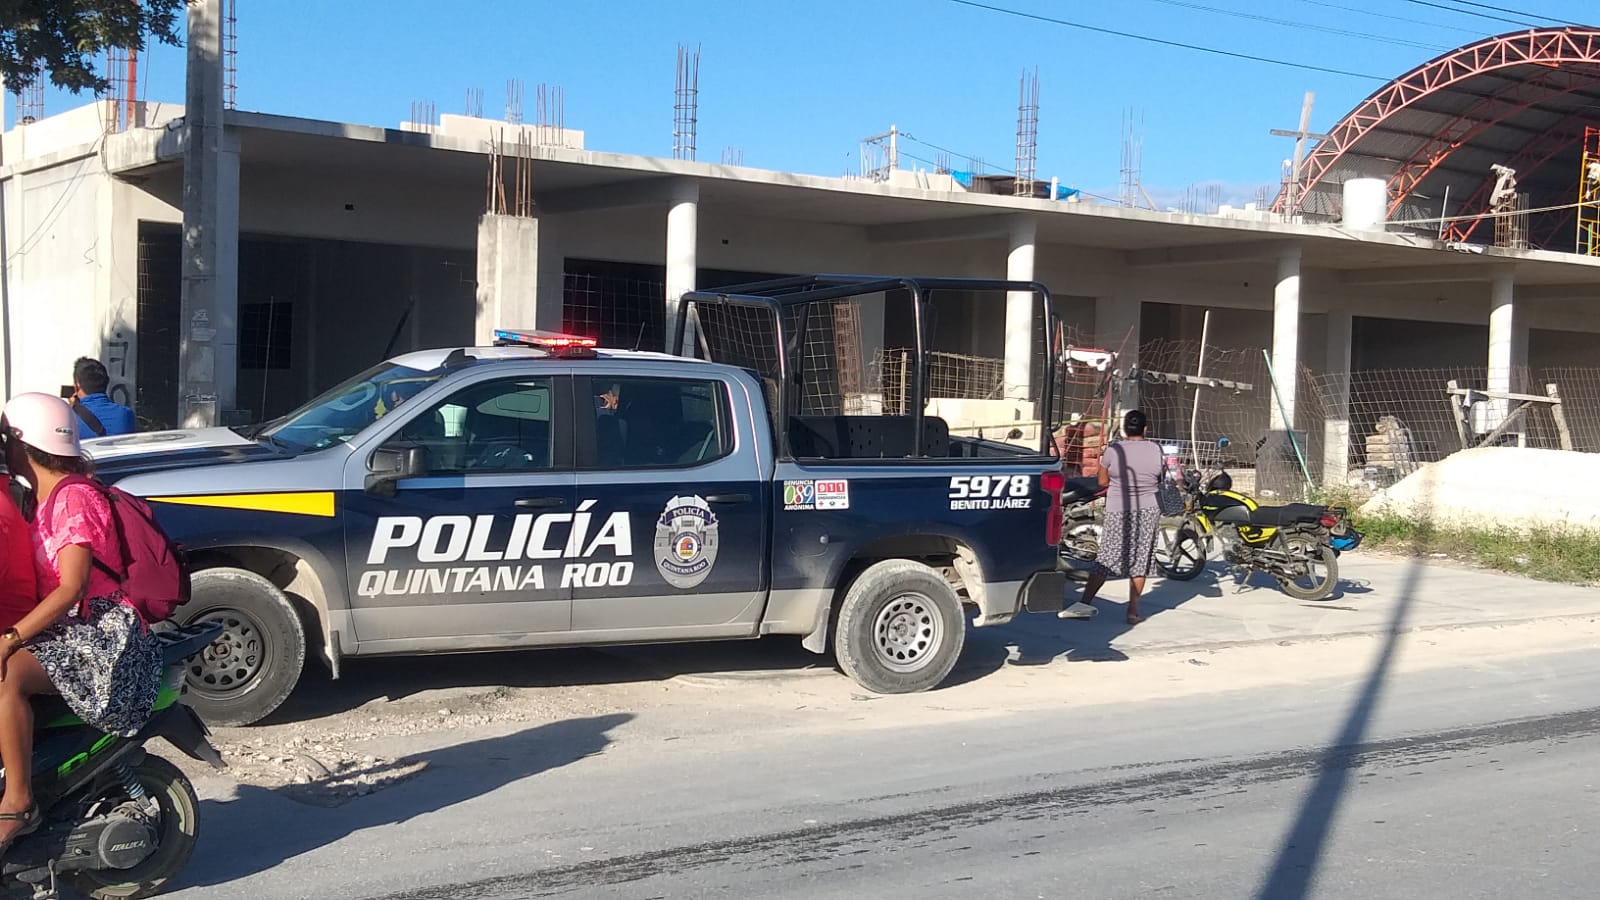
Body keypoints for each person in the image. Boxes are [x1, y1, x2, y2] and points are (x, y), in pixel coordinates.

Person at [0, 393, 163, 849]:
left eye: (5, 441)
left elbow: (70, 587)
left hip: (106, 638)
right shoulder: (42, 499)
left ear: (23, 445)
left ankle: (17, 800)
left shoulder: (73, 499)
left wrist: (11, 639)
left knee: (6, 673)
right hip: (77, 630)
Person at [1060, 409, 1164, 625]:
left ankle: (1085, 603)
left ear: (1125, 429)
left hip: (1119, 509)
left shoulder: (1114, 450)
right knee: (1140, 559)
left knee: (1107, 558)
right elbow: (1160, 477)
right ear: (1145, 429)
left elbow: (1102, 482)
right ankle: (1133, 612)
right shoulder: (1156, 449)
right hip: (1148, 509)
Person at [67, 357, 136, 439]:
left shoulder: (68, 418)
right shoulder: (127, 414)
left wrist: (73, 409)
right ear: (107, 382)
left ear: (76, 386)